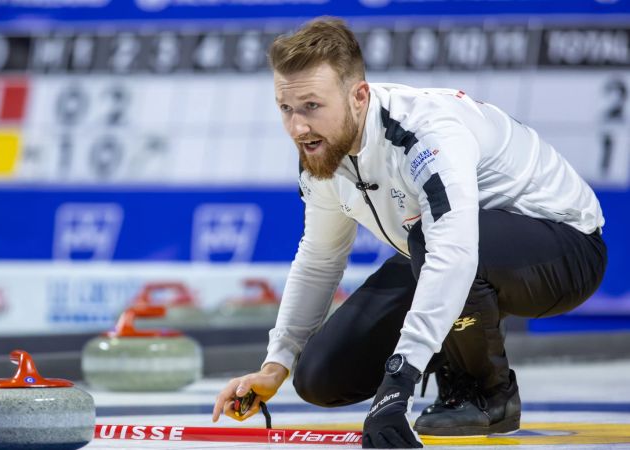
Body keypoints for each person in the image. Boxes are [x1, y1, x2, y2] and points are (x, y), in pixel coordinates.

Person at [210, 16, 607, 449]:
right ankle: (449, 342)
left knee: (430, 243)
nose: (298, 127)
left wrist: (398, 383)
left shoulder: (426, 135)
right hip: (446, 246)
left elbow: (454, 254)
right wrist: (276, 364)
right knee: (320, 377)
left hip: (565, 248)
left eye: (312, 106)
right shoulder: (322, 155)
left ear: (359, 96)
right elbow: (320, 259)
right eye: (286, 109)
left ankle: (488, 394)